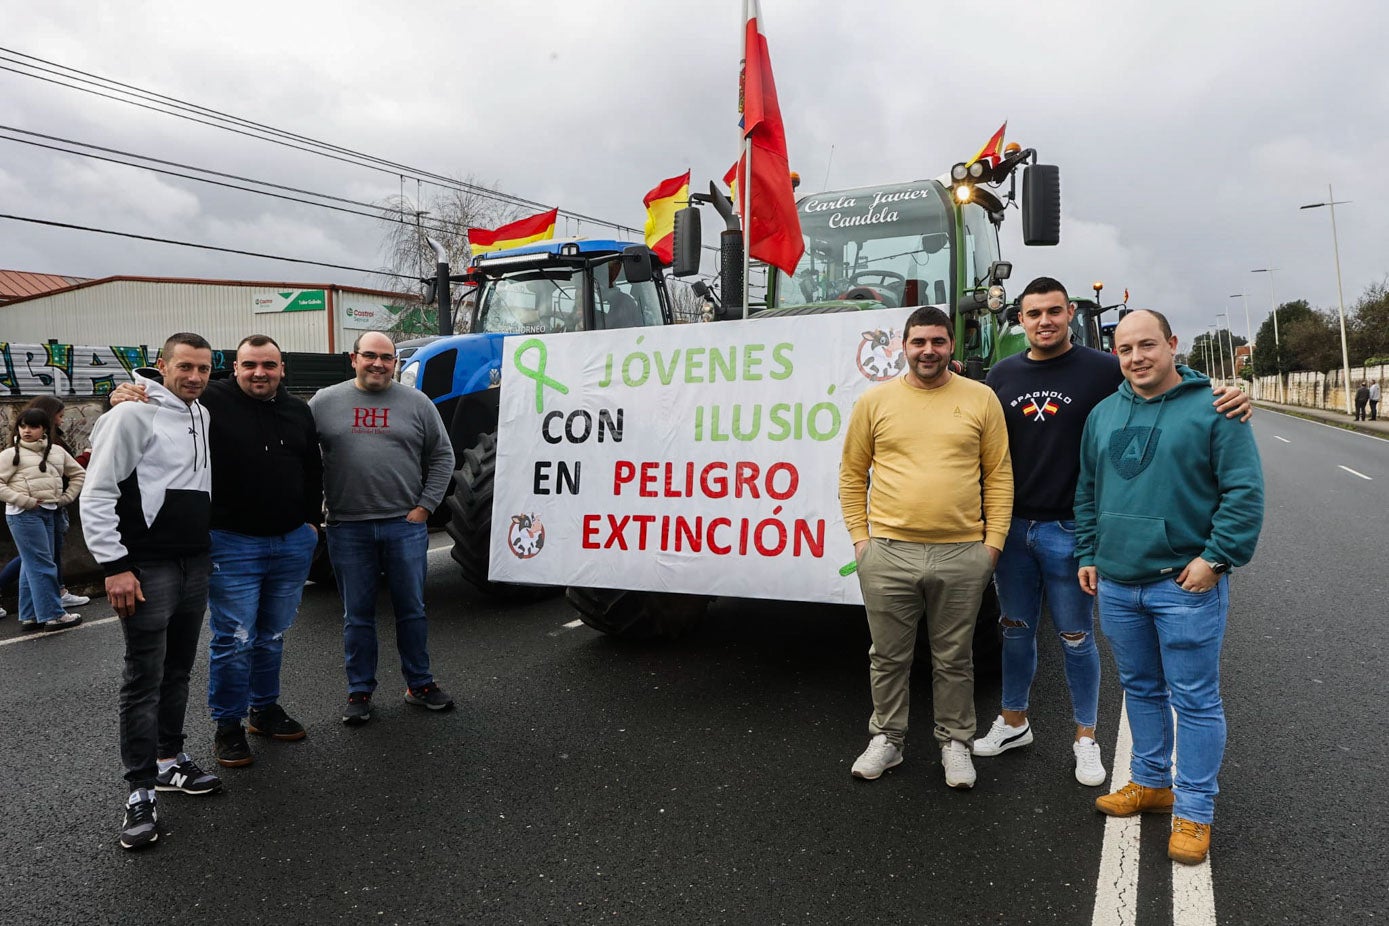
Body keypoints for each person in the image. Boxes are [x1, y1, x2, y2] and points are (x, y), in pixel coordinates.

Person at [976, 278, 1251, 786]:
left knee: (1077, 638)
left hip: (1072, 530)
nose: (1044, 321)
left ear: (1069, 315)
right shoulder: (1001, 375)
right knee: (1014, 629)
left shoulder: (1104, 369)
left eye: (1054, 311)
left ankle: (1086, 738)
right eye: (1033, 313)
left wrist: (1219, 389)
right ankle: (1014, 721)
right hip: (1013, 528)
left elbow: (1161, 383)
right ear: (1020, 319)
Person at [1075, 310, 1264, 866]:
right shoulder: (1104, 414)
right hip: (1117, 583)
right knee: (1139, 689)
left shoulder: (1217, 409)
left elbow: (1243, 493)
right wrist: (1089, 552)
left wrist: (1216, 559)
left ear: (1172, 345)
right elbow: (1087, 490)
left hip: (1184, 586)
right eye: (1125, 348)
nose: (1137, 357)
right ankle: (1152, 782)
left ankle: (1195, 810)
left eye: (1147, 345)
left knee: (1197, 700)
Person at [111, 335, 323, 769]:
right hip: (232, 543)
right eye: (249, 365)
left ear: (283, 369)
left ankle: (263, 710)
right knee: (233, 639)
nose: (259, 373)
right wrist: (122, 393)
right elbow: (162, 395)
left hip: (290, 542)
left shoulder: (299, 410)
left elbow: (312, 469)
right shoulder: (210, 401)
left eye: (269, 365)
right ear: (234, 368)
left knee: (272, 635)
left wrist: (311, 525)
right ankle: (228, 724)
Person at [839, 305, 1012, 790]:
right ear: (904, 346)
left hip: (962, 553)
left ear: (951, 345)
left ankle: (955, 743)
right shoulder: (875, 403)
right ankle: (888, 740)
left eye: (938, 341)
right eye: (919, 342)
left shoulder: (981, 400)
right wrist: (862, 542)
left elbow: (999, 477)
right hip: (888, 553)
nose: (928, 351)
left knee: (954, 657)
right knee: (887, 657)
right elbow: (852, 476)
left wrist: (991, 547)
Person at [83, 333, 224, 851]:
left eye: (204, 369)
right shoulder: (132, 414)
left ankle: (170, 761)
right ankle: (140, 790)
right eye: (184, 367)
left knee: (179, 670)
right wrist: (115, 565)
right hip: (146, 568)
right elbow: (97, 491)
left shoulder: (201, 414)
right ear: (161, 365)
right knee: (143, 677)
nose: (194, 377)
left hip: (194, 561)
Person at [309, 331, 455, 725]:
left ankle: (420, 685)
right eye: (369, 356)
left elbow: (443, 455)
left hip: (403, 526)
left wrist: (425, 508)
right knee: (357, 616)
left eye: (386, 358)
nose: (378, 363)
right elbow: (299, 452)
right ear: (353, 359)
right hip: (347, 527)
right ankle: (359, 692)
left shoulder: (417, 403)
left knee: (412, 611)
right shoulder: (324, 402)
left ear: (396, 363)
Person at [0, 396, 93, 613]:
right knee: (41, 564)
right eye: (22, 426)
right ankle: (52, 614)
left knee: (33, 564)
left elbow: (77, 473)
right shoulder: (11, 454)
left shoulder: (55, 450)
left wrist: (66, 498)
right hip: (24, 513)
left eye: (33, 427)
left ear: (44, 428)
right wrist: (25, 501)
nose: (26, 431)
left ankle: (30, 613)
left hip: (50, 510)